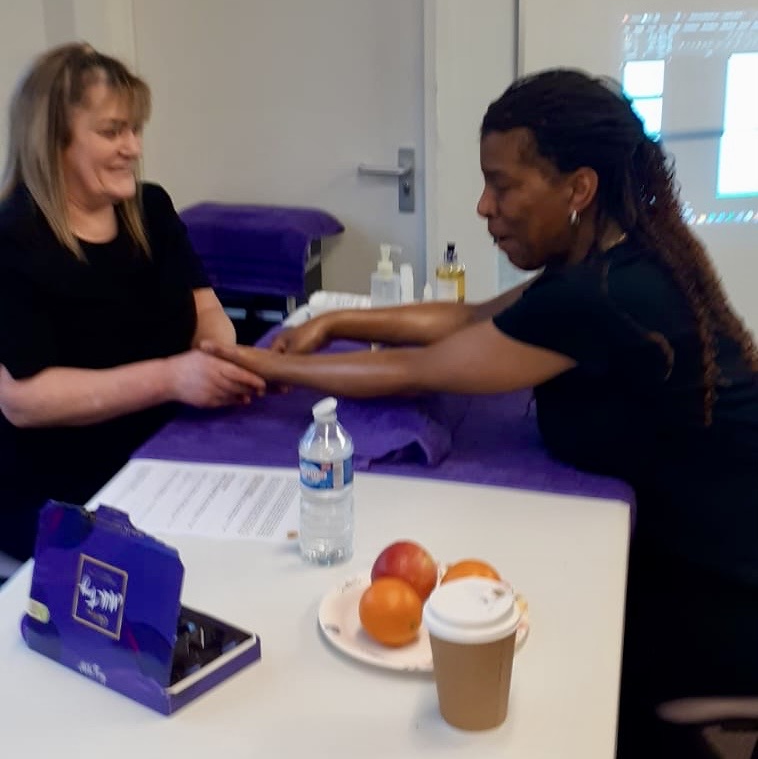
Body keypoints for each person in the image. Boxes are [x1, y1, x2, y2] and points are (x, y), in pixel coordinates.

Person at [204, 69, 758, 757]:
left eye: (503, 185)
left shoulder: (604, 294)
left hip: (716, 597)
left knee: (535, 690)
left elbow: (418, 369)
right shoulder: (612, 260)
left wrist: (268, 365)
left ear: (578, 188)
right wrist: (333, 320)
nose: (483, 205)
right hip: (708, 553)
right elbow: (467, 317)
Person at [0, 42, 264, 562]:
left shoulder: (152, 209)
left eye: (135, 130)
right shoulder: (13, 240)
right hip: (60, 497)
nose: (133, 148)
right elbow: (23, 400)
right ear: (54, 141)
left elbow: (208, 311)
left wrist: (215, 357)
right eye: (112, 132)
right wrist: (172, 377)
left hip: (164, 457)